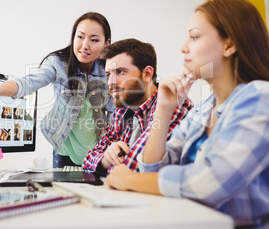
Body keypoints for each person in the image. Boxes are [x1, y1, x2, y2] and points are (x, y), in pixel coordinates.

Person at [106, 0, 269, 228]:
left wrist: (129, 179)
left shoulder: (262, 97)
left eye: (194, 37)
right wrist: (164, 109)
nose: (183, 47)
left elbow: (210, 184)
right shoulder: (204, 110)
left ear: (229, 45)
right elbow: (153, 169)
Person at [0, 12, 114, 167]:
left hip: (97, 151)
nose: (85, 45)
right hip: (64, 151)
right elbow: (29, 82)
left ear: (106, 43)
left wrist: (111, 147)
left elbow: (114, 113)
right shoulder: (58, 63)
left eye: (94, 40)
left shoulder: (109, 71)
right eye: (80, 37)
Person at [83, 38, 193, 174]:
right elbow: (88, 160)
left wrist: (111, 162)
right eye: (108, 74)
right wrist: (105, 159)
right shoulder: (121, 111)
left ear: (147, 74)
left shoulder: (172, 104)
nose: (111, 82)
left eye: (120, 72)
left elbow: (133, 169)